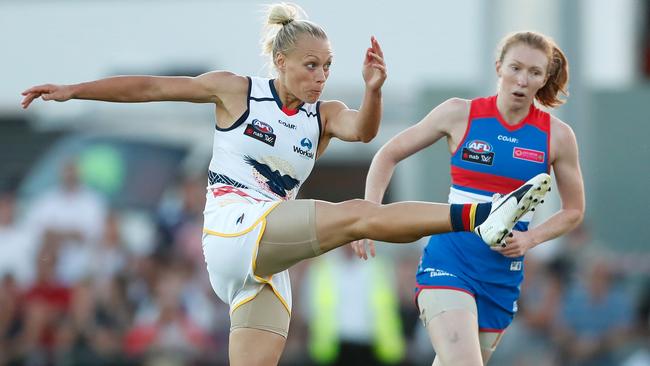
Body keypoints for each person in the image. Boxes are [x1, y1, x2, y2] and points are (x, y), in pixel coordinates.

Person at [21, 4, 549, 365]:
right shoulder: (237, 91)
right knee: (358, 216)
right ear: (280, 61)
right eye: (310, 66)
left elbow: (365, 132)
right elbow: (151, 87)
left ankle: (482, 215)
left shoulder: (324, 115)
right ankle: (482, 215)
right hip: (233, 228)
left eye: (327, 67)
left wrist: (373, 90)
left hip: (267, 262)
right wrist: (74, 90)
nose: (320, 76)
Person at [355, 31, 585, 365]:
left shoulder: (558, 136)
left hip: (500, 277)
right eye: (515, 68)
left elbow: (574, 210)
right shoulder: (459, 114)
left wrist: (530, 238)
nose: (522, 80)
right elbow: (387, 155)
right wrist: (368, 217)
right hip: (448, 264)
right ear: (499, 68)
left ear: (544, 78)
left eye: (534, 72)